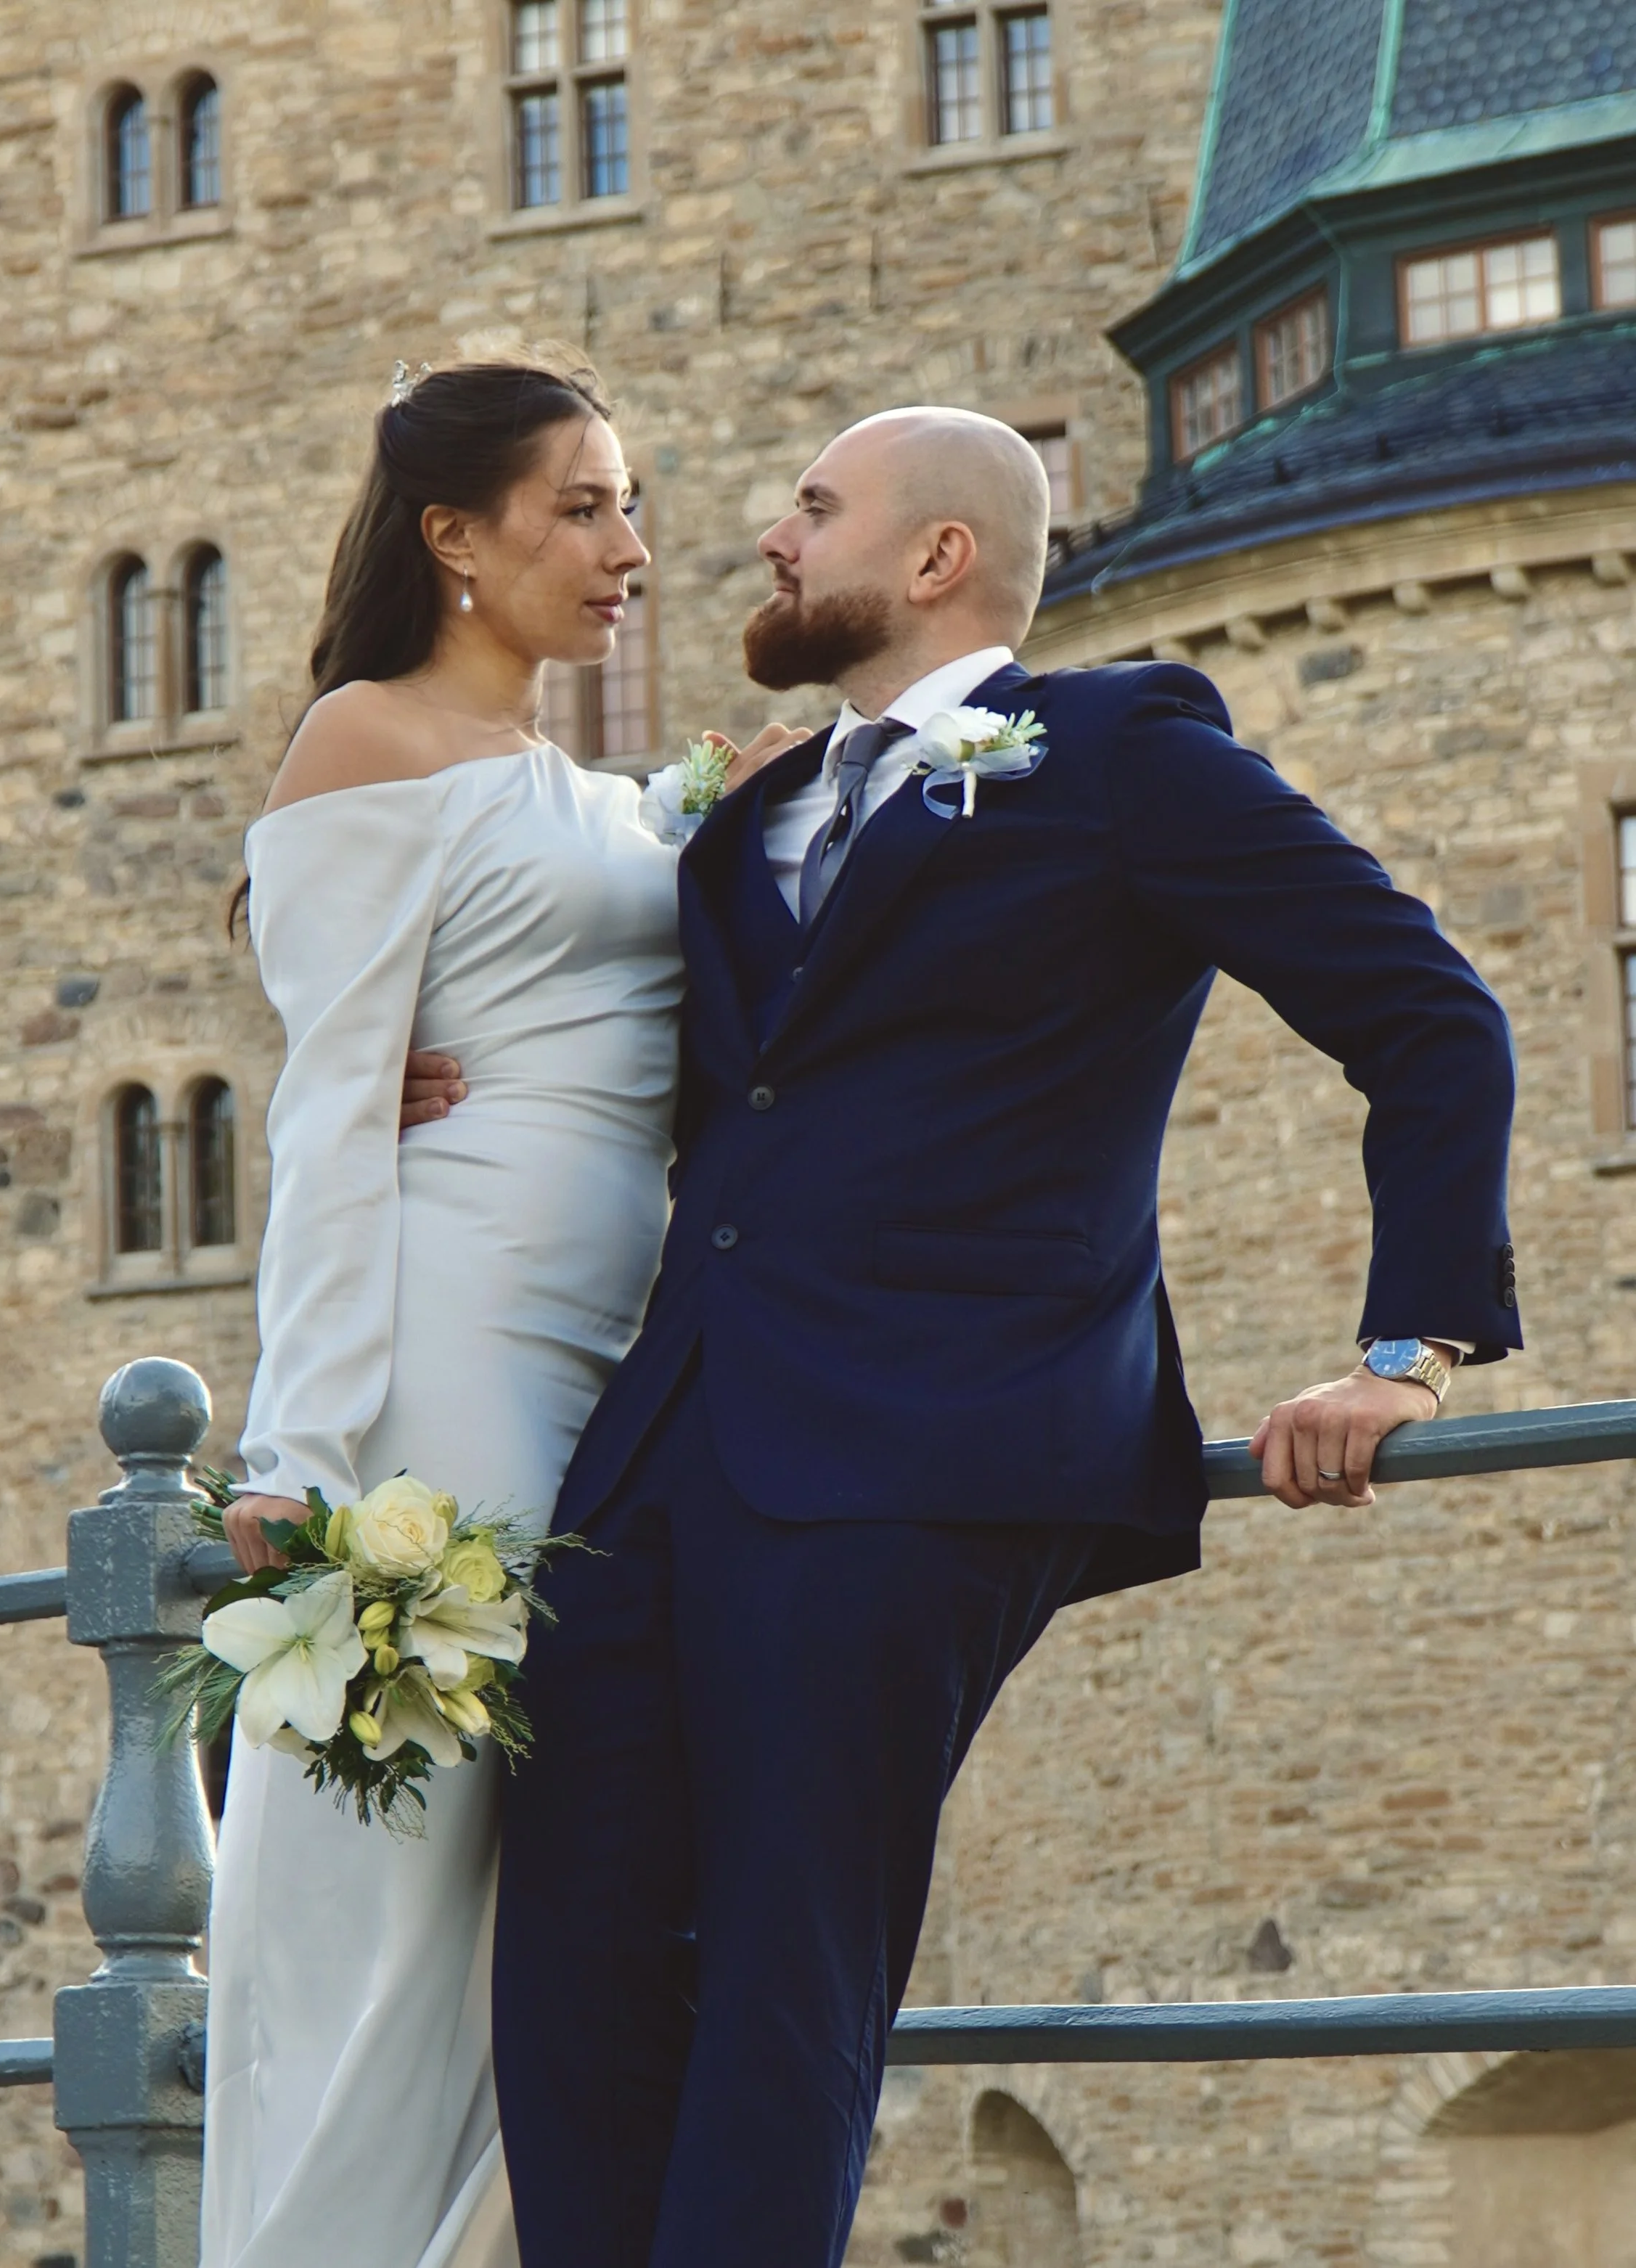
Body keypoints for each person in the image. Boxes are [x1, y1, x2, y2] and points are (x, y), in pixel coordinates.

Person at [473, 407, 1519, 2268]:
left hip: (924, 1448)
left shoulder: (1121, 755)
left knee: (787, 1959)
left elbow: (1428, 1015)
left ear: (936, 555)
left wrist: (1403, 1350)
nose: (770, 537)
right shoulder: (748, 814)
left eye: (813, 507)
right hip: (652, 1456)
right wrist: (448, 1085)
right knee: (568, 1952)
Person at [200, 351, 801, 2268]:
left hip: (622, 1360)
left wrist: (733, 807)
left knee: (561, 1884)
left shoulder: (590, 792)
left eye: (633, 505)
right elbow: (328, 1116)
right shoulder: (364, 740)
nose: (631, 548)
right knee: (406, 1870)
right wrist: (296, 1455)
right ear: (454, 535)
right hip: (450, 1349)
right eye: (583, 505)